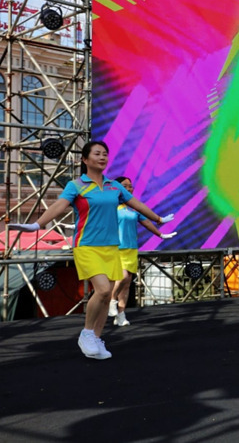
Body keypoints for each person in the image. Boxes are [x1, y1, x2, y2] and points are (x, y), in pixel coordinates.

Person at [8, 141, 173, 359]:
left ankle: (96, 337)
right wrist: (37, 225)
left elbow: (136, 204)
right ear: (85, 159)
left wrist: (159, 219)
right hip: (87, 246)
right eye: (97, 153)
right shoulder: (76, 185)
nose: (103, 157)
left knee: (105, 297)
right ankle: (86, 333)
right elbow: (59, 206)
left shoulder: (115, 186)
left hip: (111, 247)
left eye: (105, 154)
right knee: (104, 290)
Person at [108, 176, 177, 326]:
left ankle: (120, 315)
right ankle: (112, 300)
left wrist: (160, 234)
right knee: (123, 276)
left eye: (130, 186)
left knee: (127, 284)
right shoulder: (111, 206)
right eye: (124, 186)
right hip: (116, 248)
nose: (128, 188)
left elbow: (146, 221)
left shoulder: (133, 208)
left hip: (132, 248)